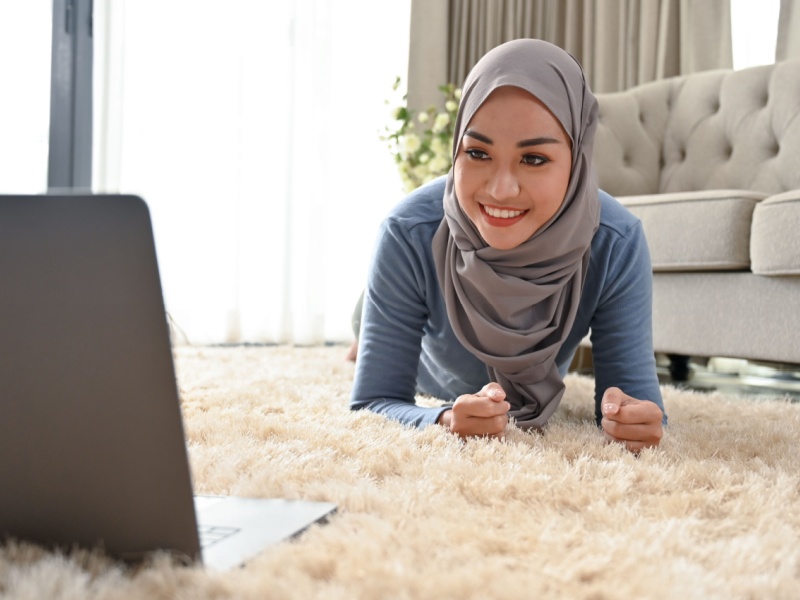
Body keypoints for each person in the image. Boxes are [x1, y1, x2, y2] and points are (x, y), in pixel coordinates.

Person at [349, 39, 666, 452]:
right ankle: (362, 331)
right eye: (477, 152)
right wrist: (440, 417)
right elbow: (373, 401)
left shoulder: (615, 241)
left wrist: (636, 421)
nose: (500, 190)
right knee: (365, 325)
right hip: (430, 359)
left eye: (534, 159)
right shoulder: (407, 232)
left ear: (578, 161)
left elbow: (640, 405)